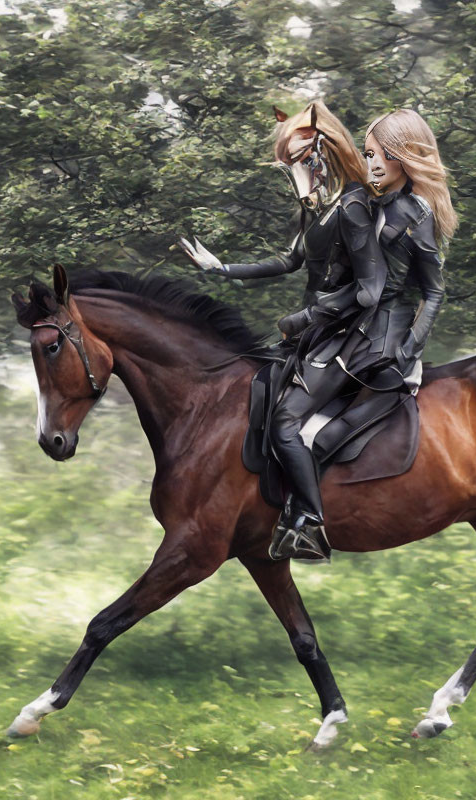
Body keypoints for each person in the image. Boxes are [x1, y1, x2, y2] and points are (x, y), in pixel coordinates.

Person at [179, 100, 386, 562]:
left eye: (297, 163)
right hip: (315, 331)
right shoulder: (320, 207)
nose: (293, 176)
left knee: (287, 421)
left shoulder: (353, 206)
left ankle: (309, 524)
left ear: (322, 151)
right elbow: (290, 261)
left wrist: (313, 316)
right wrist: (221, 268)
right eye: (288, 167)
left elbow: (372, 289)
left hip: (349, 336)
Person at [358, 109, 456, 396]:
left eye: (378, 154)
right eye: (368, 155)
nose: (371, 164)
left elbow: (434, 292)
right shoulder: (374, 205)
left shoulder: (418, 214)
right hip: (356, 328)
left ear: (403, 155)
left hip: (389, 344)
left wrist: (408, 349)